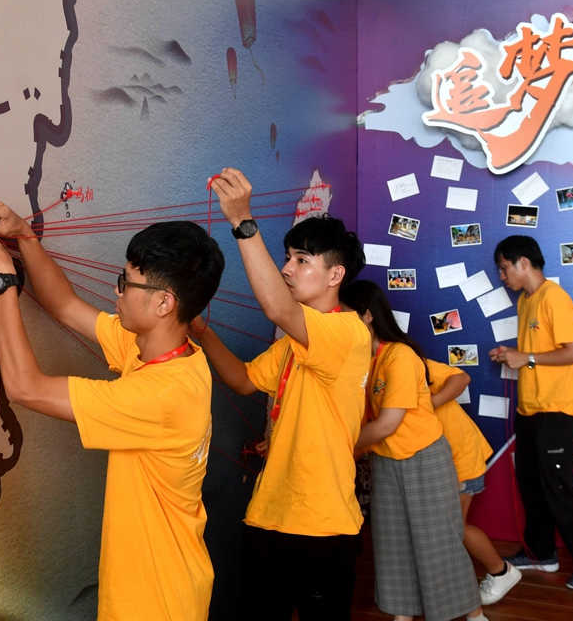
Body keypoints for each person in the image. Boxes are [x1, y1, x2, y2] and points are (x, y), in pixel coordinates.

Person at [0, 204, 224, 621]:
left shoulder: (160, 395)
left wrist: (2, 281)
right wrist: (24, 235)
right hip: (163, 589)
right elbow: (63, 304)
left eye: (126, 283)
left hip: (156, 604)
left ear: (163, 303)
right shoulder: (166, 353)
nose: (117, 292)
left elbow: (25, 387)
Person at [192, 168, 370, 621]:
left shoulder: (347, 332)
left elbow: (277, 307)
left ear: (335, 275)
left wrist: (242, 222)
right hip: (268, 515)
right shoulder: (294, 342)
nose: (288, 268)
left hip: (323, 526)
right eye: (288, 258)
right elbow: (244, 380)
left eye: (302, 260)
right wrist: (204, 334)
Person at [339, 280, 486, 621]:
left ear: (368, 316)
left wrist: (333, 442)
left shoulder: (400, 355)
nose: (340, 324)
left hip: (424, 458)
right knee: (392, 544)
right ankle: (402, 615)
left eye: (345, 316)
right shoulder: (362, 360)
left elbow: (387, 424)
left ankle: (475, 615)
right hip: (386, 460)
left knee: (439, 542)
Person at [487, 235, 573, 590]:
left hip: (557, 409)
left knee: (557, 487)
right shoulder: (525, 301)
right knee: (531, 485)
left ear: (523, 262)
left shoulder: (554, 298)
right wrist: (512, 355)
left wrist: (525, 358)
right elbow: (536, 353)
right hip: (530, 408)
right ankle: (541, 552)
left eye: (504, 268)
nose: (502, 276)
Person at [422, 356, 521, 607]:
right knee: (438, 527)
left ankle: (500, 571)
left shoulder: (409, 361)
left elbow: (461, 378)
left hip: (460, 459)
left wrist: (427, 405)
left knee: (453, 527)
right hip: (434, 462)